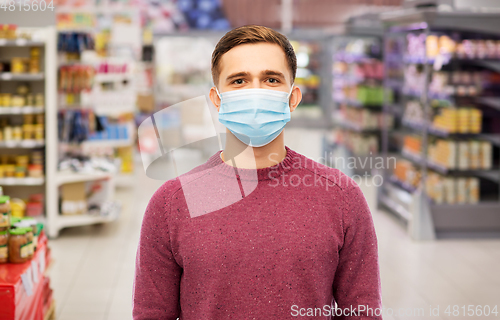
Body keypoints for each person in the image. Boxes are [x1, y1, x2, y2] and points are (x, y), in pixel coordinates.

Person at [133, 25, 382, 320]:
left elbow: (362, 312)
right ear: (216, 99)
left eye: (271, 79)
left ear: (293, 97)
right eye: (239, 81)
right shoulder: (171, 203)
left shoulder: (341, 197)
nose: (255, 92)